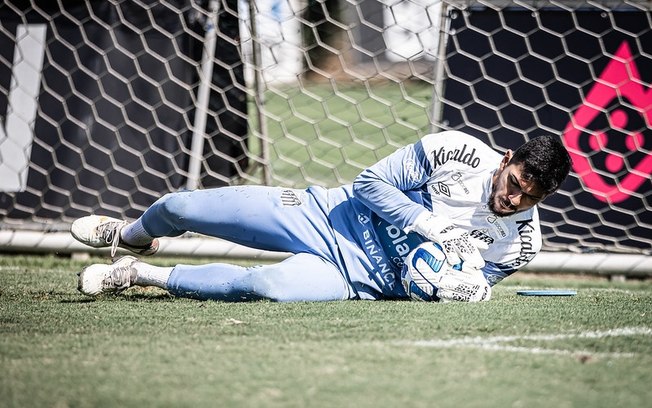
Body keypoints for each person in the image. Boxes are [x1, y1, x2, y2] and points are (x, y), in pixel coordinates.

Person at [71, 131, 571, 302]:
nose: (513, 200)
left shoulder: (522, 246)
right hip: (326, 214)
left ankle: (137, 273)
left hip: (357, 278)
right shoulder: (455, 151)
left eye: (529, 198)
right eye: (514, 184)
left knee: (266, 288)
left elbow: (464, 282)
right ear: (506, 159)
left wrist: (466, 288)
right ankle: (132, 235)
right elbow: (368, 184)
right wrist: (428, 225)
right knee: (180, 206)